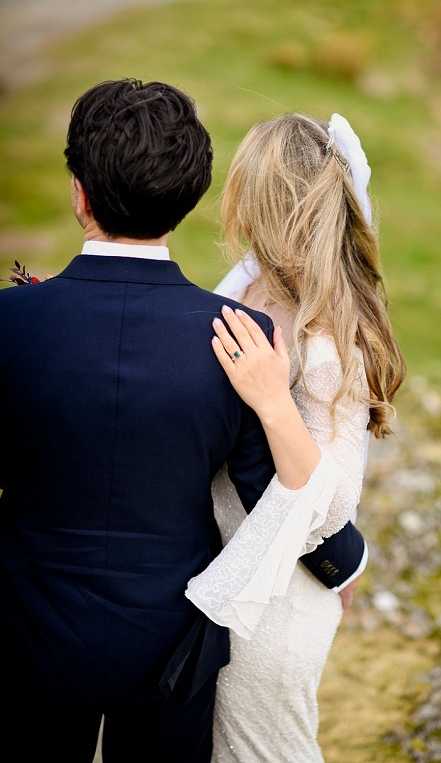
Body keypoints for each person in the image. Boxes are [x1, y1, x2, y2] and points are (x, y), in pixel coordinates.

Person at [0, 78, 364, 762]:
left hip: (27, 634)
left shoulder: (10, 324)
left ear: (78, 191)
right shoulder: (239, 338)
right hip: (173, 646)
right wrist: (343, 562)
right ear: (188, 198)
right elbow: (273, 491)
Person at [184, 112, 406, 762]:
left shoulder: (328, 330)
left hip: (275, 603)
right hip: (231, 560)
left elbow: (331, 504)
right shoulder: (256, 279)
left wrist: (272, 398)